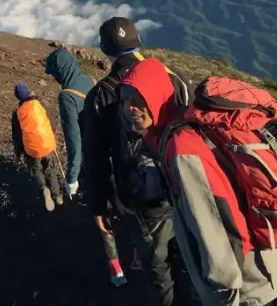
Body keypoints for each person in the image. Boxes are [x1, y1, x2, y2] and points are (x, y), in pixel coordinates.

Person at [119, 58, 277, 306]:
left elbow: (213, 223)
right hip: (269, 263)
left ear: (155, 96)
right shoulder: (183, 125)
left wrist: (223, 296)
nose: (129, 108)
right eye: (124, 100)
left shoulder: (181, 148)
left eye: (137, 98)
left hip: (249, 281)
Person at [82, 16, 183, 299]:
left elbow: (96, 157)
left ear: (106, 51)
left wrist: (99, 204)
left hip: (143, 194)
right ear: (138, 41)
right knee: (188, 249)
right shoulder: (171, 74)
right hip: (182, 180)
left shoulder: (102, 94)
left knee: (158, 266)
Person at [44, 47, 94, 199]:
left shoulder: (67, 96)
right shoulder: (91, 80)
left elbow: (74, 138)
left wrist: (72, 178)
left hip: (92, 156)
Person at [11, 83, 64, 211]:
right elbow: (53, 122)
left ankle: (43, 188)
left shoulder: (18, 113)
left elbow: (17, 137)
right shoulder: (40, 105)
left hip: (32, 149)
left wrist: (18, 153)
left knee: (36, 170)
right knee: (50, 169)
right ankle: (56, 195)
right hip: (48, 144)